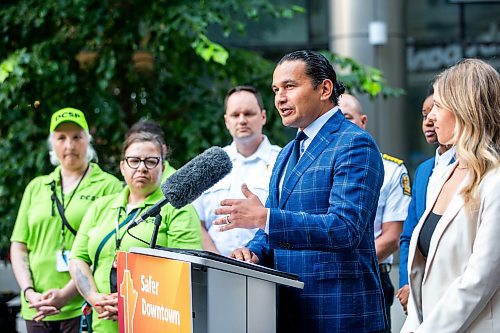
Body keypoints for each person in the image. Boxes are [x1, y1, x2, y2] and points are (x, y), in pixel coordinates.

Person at [213, 50, 386, 332]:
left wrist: (265, 218)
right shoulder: (287, 153)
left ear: (324, 88)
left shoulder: (354, 144)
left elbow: (345, 229)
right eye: (275, 90)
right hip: (289, 311)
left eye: (290, 87)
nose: (280, 98)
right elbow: (271, 229)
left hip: (340, 313)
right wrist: (253, 251)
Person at [401, 58, 500, 332]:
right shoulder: (441, 175)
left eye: (439, 107)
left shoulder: (495, 182)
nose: (430, 118)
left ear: (463, 110)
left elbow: (479, 280)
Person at [69, 131, 202, 333]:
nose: (141, 168)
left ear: (163, 167)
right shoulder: (101, 207)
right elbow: (78, 257)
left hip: (154, 325)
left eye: (151, 161)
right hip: (101, 325)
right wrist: (94, 298)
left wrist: (132, 305)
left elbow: (185, 273)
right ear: (122, 166)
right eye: (134, 161)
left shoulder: (178, 209)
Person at [10, 107, 123, 333]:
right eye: (61, 138)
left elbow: (108, 248)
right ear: (52, 143)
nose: (69, 145)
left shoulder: (109, 186)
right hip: (37, 306)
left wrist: (66, 295)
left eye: (76, 137)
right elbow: (19, 245)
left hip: (82, 306)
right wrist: (29, 292)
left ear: (88, 140)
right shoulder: (36, 187)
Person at [339, 93, 411, 332]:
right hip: (325, 279)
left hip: (371, 276)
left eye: (348, 117)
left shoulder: (390, 170)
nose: (342, 123)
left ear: (363, 121)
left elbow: (392, 237)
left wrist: (348, 264)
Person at [192, 85, 281, 256]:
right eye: (235, 115)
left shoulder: (282, 160)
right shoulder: (209, 163)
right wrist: (217, 261)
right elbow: (196, 221)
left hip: (265, 269)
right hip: (213, 269)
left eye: (248, 114)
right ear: (226, 121)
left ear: (263, 116)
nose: (242, 120)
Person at [395, 88, 455, 313]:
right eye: (424, 114)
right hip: (417, 290)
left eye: (436, 111)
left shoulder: (472, 167)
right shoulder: (422, 171)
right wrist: (407, 283)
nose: (429, 120)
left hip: (449, 290)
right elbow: (409, 235)